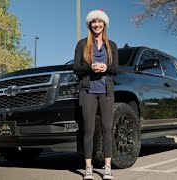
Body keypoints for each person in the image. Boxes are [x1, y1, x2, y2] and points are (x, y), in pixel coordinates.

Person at [73, 9, 118, 180]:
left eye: (99, 21)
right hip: (88, 91)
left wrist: (106, 68)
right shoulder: (82, 44)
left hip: (106, 92)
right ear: (90, 24)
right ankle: (89, 168)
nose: (97, 24)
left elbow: (116, 69)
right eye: (94, 22)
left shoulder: (111, 45)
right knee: (89, 130)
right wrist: (89, 67)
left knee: (107, 128)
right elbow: (76, 67)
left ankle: (107, 167)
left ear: (104, 24)